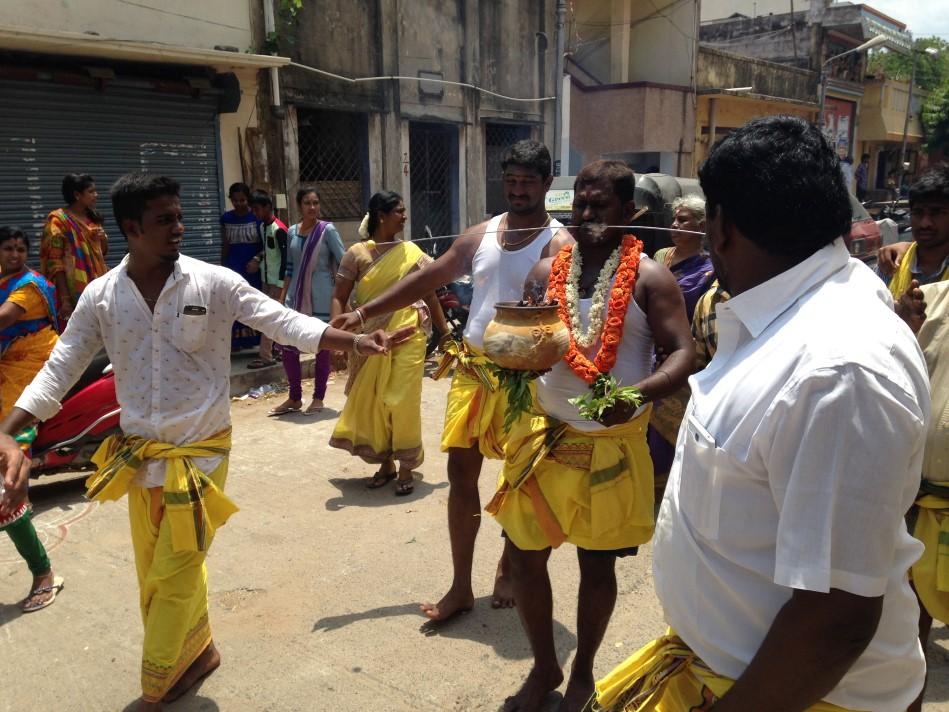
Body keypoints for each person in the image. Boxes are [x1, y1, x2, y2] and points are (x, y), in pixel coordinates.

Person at [0, 173, 411, 711]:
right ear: (131, 229)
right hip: (138, 456)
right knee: (159, 571)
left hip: (202, 455)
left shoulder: (212, 282)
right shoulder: (102, 296)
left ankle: (154, 690)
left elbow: (284, 322)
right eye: (164, 219)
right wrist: (9, 432)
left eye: (178, 215)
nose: (179, 227)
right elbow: (60, 367)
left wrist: (355, 338)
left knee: (173, 571)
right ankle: (200, 652)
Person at [590, 115, 930, 712]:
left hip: (797, 695)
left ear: (721, 228)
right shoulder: (786, 309)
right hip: (723, 666)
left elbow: (836, 619)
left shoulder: (837, 372)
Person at [332, 140, 573, 620]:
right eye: (511, 181)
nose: (519, 190)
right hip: (474, 371)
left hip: (530, 378)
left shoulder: (559, 243)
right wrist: (360, 313)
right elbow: (424, 281)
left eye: (528, 181)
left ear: (547, 184)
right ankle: (460, 586)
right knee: (461, 476)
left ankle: (507, 565)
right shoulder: (480, 235)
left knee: (519, 478)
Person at [487, 160, 694, 712]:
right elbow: (524, 338)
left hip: (611, 444)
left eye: (598, 206)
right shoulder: (544, 271)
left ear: (630, 213)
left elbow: (682, 351)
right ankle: (545, 667)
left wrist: (637, 394)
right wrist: (515, 358)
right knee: (525, 557)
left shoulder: (651, 277)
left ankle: (581, 673)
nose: (584, 215)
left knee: (596, 565)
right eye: (578, 204)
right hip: (545, 438)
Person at [329, 191, 449, 495]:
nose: (405, 216)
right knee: (378, 399)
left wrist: (444, 331)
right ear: (381, 215)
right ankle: (386, 463)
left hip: (409, 331)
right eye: (399, 211)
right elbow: (339, 298)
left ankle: (407, 464)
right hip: (368, 337)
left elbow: (430, 293)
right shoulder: (356, 254)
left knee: (402, 399)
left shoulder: (412, 252)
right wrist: (338, 339)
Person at [887, 165, 949, 712]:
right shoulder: (899, 264)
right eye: (918, 212)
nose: (925, 223)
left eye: (937, 213)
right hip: (909, 448)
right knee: (910, 603)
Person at [0, 227, 62, 613]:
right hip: (8, 365)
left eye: (21, 248)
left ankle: (43, 573)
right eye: (8, 247)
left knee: (7, 480)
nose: (15, 254)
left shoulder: (28, 287)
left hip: (30, 368)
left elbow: (5, 318)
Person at [647, 196, 713, 485]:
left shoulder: (710, 270)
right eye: (674, 219)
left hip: (684, 353)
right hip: (648, 348)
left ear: (701, 227)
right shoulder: (661, 257)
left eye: (683, 220)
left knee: (669, 429)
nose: (675, 225)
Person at [269, 187, 345, 416]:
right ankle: (294, 397)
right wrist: (282, 297)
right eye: (307, 203)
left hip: (322, 295)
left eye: (315, 203)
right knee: (288, 346)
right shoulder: (292, 232)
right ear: (299, 206)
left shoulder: (327, 230)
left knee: (321, 346)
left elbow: (344, 263)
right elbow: (290, 267)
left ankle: (319, 396)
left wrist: (342, 297)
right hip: (295, 296)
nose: (312, 207)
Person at [41, 172, 109, 322]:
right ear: (77, 195)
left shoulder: (93, 219)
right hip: (73, 291)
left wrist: (102, 239)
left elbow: (102, 253)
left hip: (98, 286)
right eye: (91, 192)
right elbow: (55, 262)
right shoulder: (59, 221)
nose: (96, 195)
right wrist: (65, 299)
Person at [247, 190, 288, 369]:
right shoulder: (263, 227)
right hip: (266, 278)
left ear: (267, 208)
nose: (255, 213)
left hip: (277, 282)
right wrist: (258, 259)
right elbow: (268, 251)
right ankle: (277, 350)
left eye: (257, 209)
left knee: (269, 317)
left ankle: (266, 356)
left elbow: (287, 259)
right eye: (253, 210)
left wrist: (281, 286)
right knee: (273, 317)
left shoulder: (279, 229)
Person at [220, 182, 262, 351]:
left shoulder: (257, 218)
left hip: (252, 268)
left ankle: (256, 341)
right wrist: (223, 266)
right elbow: (226, 244)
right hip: (233, 266)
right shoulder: (226, 219)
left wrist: (257, 260)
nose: (239, 204)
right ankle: (236, 343)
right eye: (235, 200)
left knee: (252, 302)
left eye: (242, 200)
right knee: (234, 304)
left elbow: (266, 245)